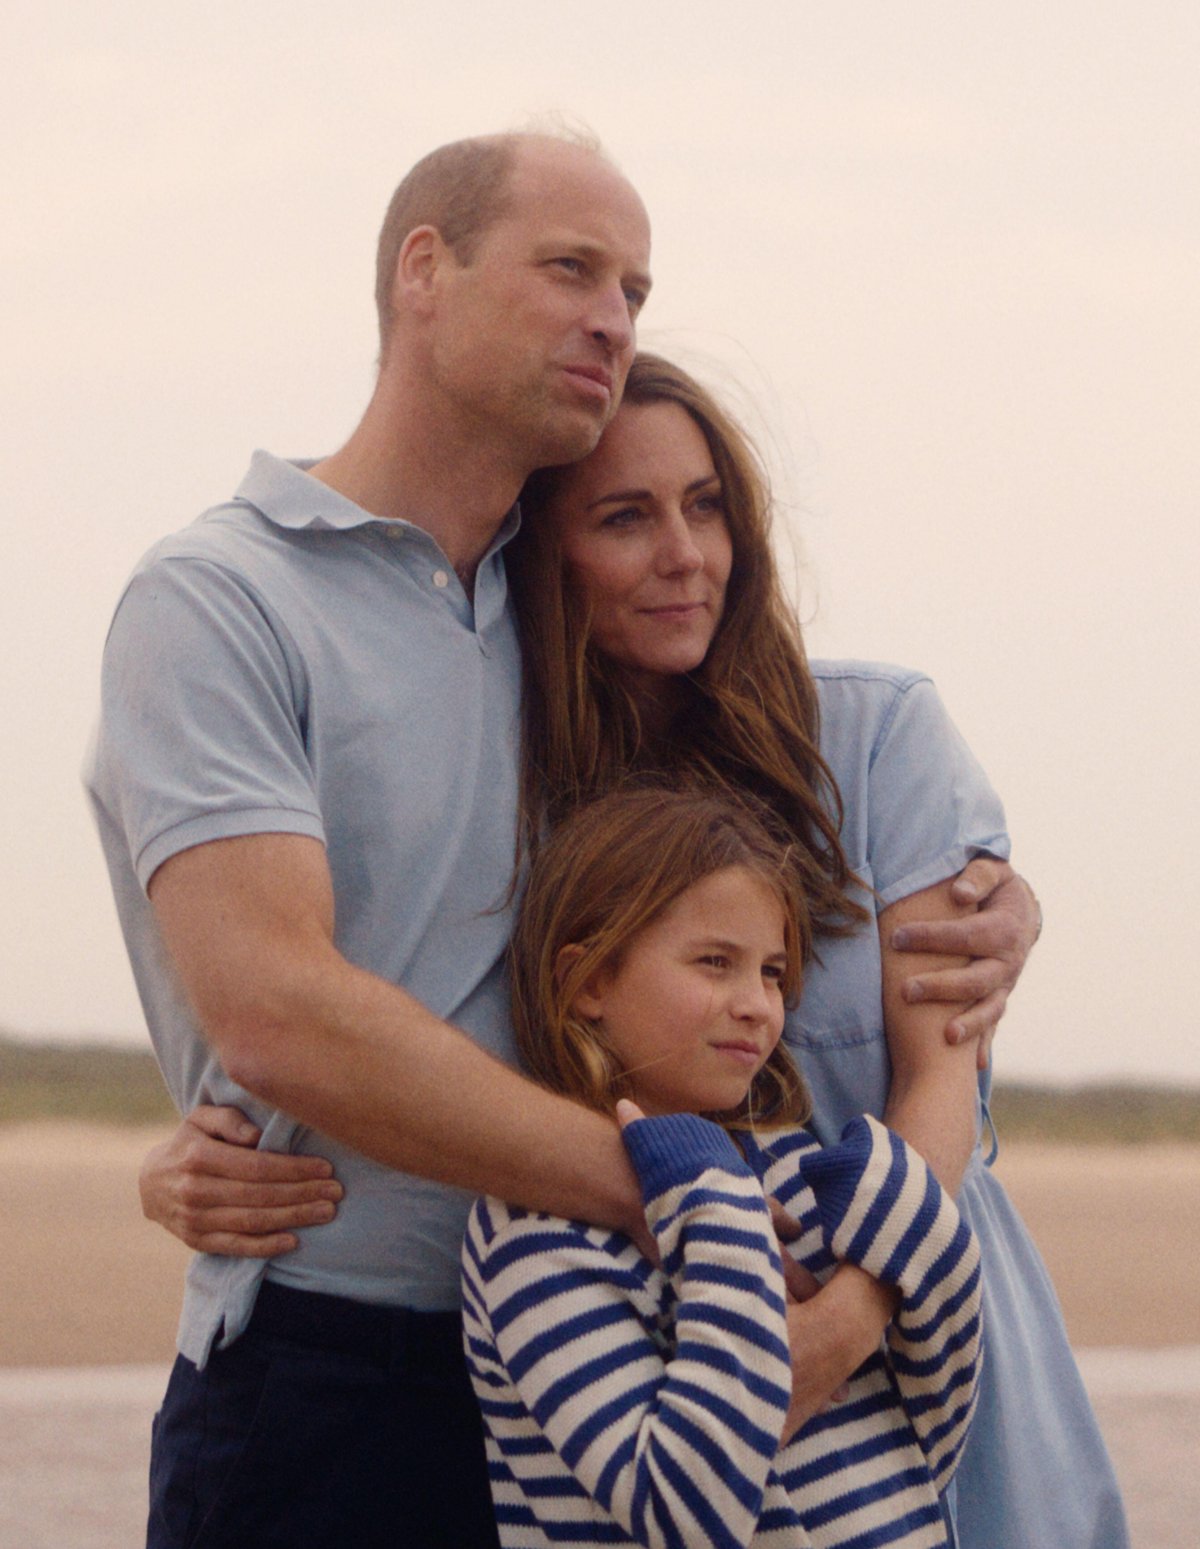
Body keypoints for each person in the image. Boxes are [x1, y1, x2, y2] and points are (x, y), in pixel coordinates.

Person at [147, 352, 1127, 1547]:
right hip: (658, 1383)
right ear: (543, 557)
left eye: (706, 506)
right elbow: (422, 1022)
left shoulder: (879, 739)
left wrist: (847, 1317)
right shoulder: (530, 807)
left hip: (913, 1354)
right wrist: (200, 1145)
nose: (684, 553)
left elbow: (942, 1085)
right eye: (625, 517)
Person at [86, 128, 665, 1549]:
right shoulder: (219, 598)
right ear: (425, 269)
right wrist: (645, 1185)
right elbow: (280, 1015)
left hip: (591, 1365)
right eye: (573, 268)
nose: (615, 318)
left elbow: (794, 786)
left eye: (638, 293)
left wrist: (979, 884)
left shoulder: (578, 610)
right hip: (329, 1375)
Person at [463, 785, 983, 1548]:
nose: (758, 1004)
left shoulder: (793, 1166)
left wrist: (913, 1218)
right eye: (716, 962)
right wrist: (713, 1203)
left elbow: (932, 1429)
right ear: (590, 981)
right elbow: (683, 1511)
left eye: (772, 972)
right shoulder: (533, 1231)